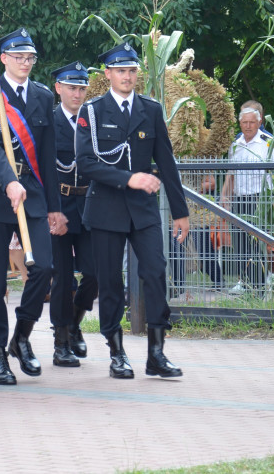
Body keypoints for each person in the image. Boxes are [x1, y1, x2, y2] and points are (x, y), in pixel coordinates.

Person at [75, 42, 190, 379]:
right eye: (120, 70)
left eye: (131, 70)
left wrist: (180, 211)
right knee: (109, 281)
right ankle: (117, 353)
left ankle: (156, 353)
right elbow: (85, 164)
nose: (126, 76)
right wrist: (130, 179)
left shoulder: (150, 110)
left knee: (155, 272)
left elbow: (166, 162)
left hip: (143, 211)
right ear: (108, 74)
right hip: (106, 209)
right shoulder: (92, 112)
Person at [0, 28, 65, 385]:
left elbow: (48, 154)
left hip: (35, 193)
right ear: (4, 59)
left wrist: (54, 206)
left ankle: (21, 337)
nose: (25, 63)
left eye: (30, 58)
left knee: (43, 267)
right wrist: (9, 181)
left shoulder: (42, 96)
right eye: (18, 57)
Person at [49, 61, 98, 365]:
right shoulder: (49, 122)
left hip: (89, 206)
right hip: (60, 205)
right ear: (59, 88)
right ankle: (60, 341)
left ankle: (75, 322)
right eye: (72, 87)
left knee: (95, 274)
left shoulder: (92, 120)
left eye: (81, 88)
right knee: (63, 279)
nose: (77, 93)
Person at [220, 100, 274, 294]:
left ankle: (261, 284)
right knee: (240, 243)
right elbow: (231, 174)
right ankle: (245, 282)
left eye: (252, 122)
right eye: (244, 122)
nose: (248, 126)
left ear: (259, 121)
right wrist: (224, 198)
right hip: (240, 198)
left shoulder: (268, 143)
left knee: (258, 243)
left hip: (260, 199)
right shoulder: (235, 144)